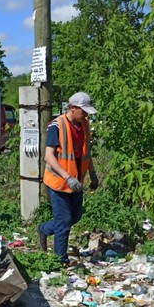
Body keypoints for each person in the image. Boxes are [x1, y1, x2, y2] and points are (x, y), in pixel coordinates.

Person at [38, 91, 99, 264]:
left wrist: (93, 174)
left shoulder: (84, 124)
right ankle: (60, 260)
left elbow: (86, 152)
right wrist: (67, 177)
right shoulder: (56, 126)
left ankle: (43, 229)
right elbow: (48, 156)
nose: (86, 114)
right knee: (64, 221)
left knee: (75, 216)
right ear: (72, 108)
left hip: (76, 182)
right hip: (59, 182)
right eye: (83, 110)